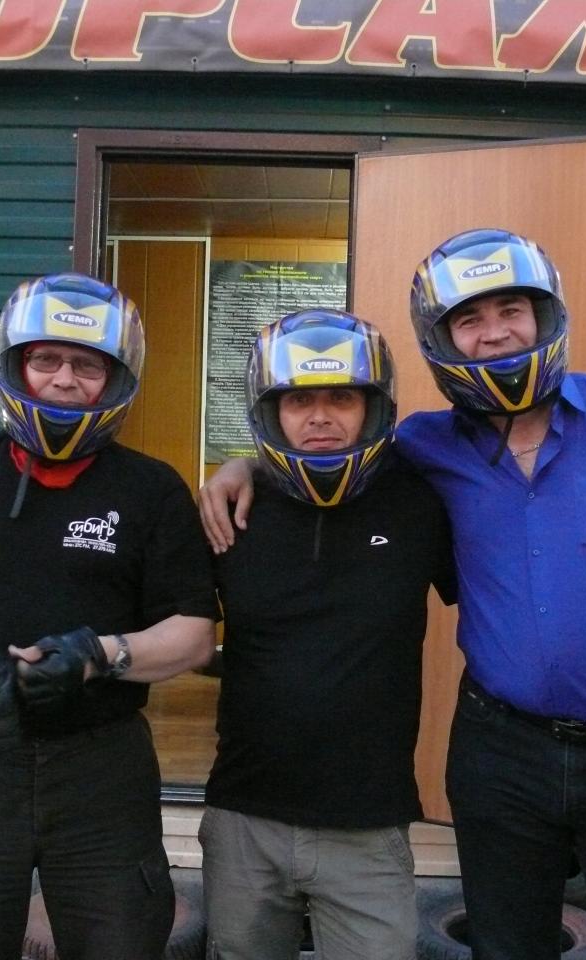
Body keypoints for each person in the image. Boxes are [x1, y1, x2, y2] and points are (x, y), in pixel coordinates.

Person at [199, 229, 586, 960]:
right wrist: (242, 468)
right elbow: (325, 447)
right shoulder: (425, 446)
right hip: (501, 753)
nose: (494, 332)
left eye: (511, 309)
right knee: (505, 948)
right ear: (442, 339)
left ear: (544, 315)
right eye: (469, 319)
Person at [0, 273, 218, 960]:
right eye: (46, 359)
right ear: (14, 365)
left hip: (103, 768)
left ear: (116, 380)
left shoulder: (151, 489)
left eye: (87, 365)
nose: (63, 380)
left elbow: (194, 633)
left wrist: (99, 655)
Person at [200, 308, 456, 960]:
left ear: (373, 406)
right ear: (270, 410)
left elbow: (516, 591)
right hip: (245, 820)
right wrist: (237, 466)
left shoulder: (423, 501)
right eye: (299, 400)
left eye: (341, 398)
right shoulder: (230, 510)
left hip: (367, 827)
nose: (319, 417)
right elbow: (165, 620)